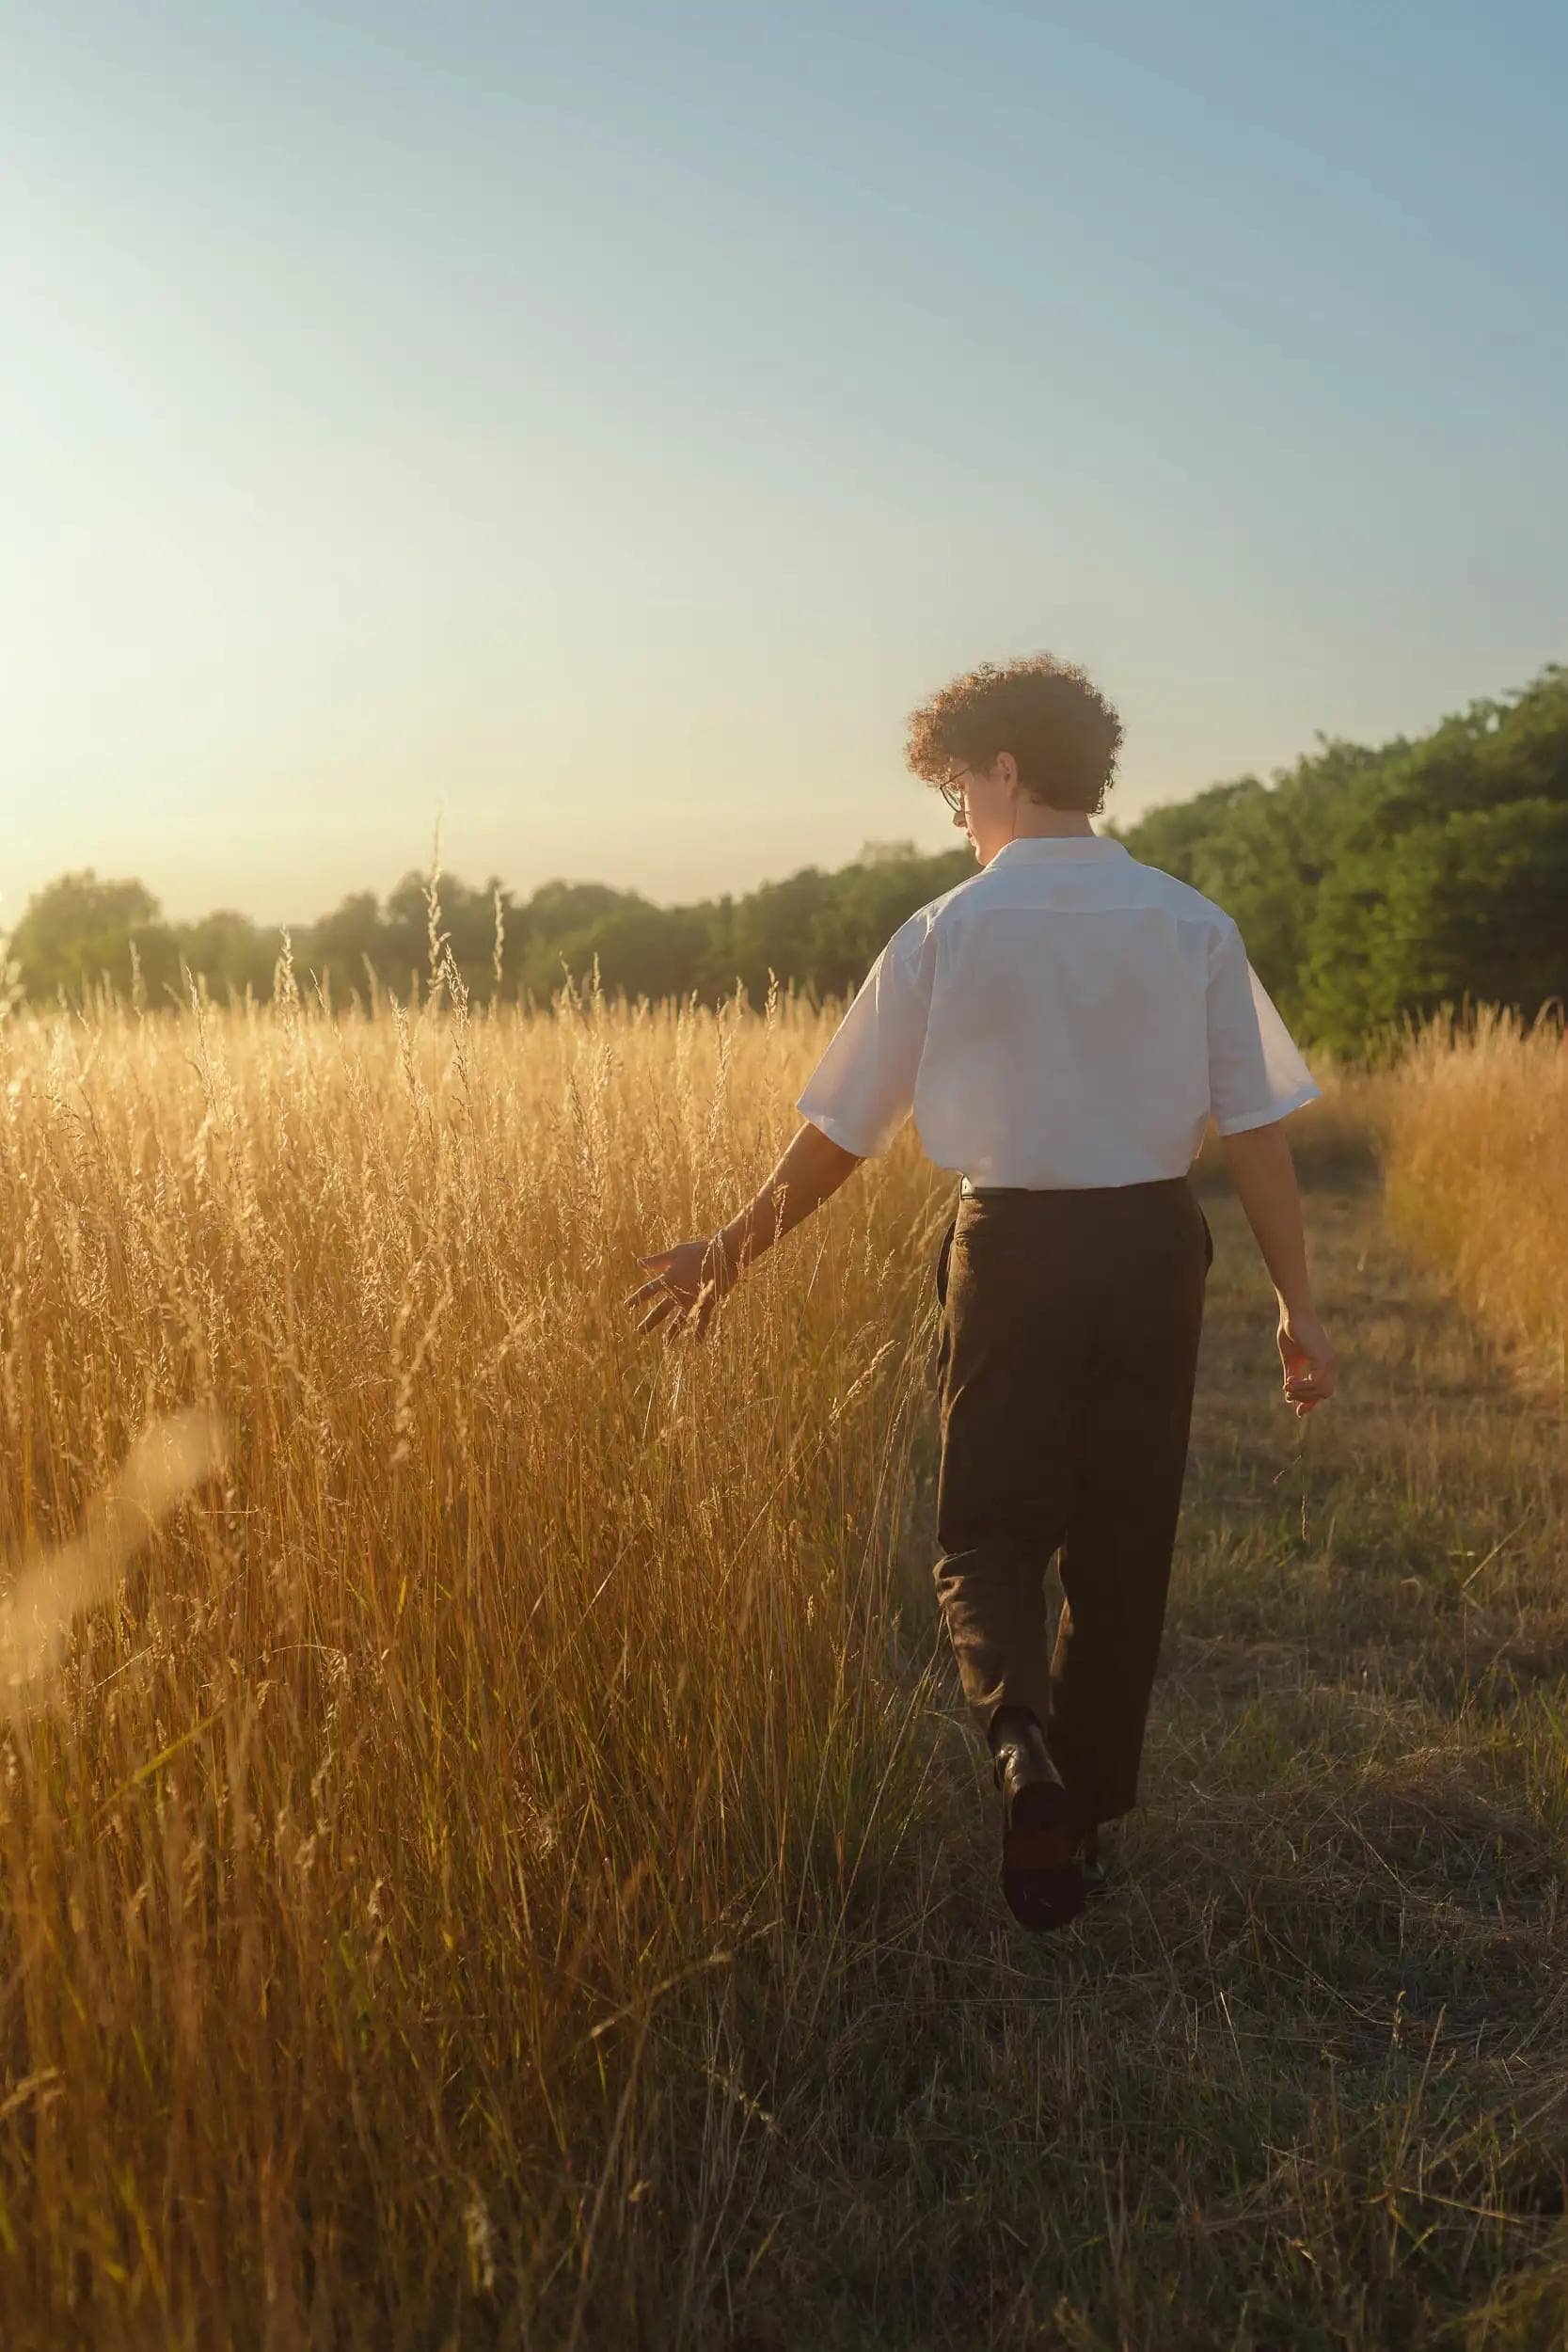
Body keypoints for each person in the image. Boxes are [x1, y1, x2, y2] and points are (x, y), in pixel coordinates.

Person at [626, 654, 1338, 1931]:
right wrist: (1298, 1309)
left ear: (1006, 768)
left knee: (985, 1535)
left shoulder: (947, 933)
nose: (958, 818)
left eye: (959, 789)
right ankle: (1080, 1824)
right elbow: (1258, 1136)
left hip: (1009, 1249)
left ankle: (1023, 1750)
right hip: (1152, 1246)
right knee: (1122, 1549)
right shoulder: (1191, 921)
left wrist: (729, 1250)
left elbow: (847, 1127)